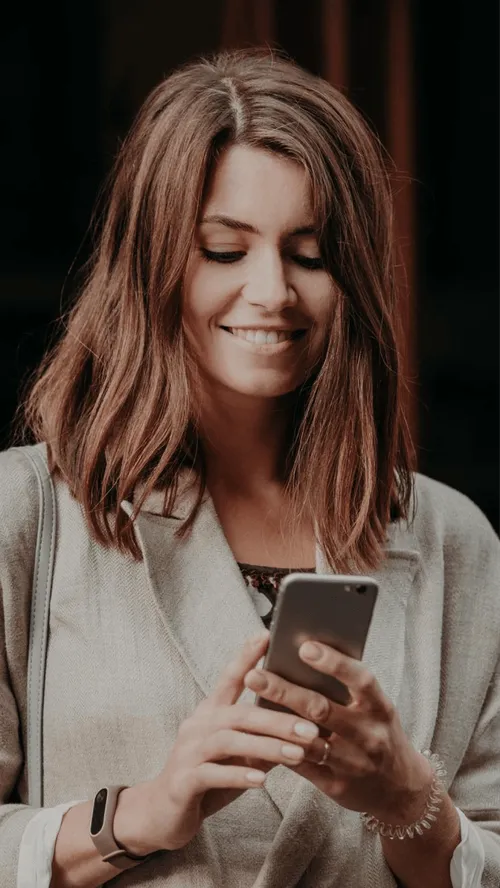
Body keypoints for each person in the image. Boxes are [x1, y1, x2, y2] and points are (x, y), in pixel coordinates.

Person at [0, 47, 498, 888]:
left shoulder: (453, 541)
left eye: (309, 255)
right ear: (151, 263)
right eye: (225, 251)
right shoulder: (27, 514)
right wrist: (139, 814)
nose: (272, 290)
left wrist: (409, 796)